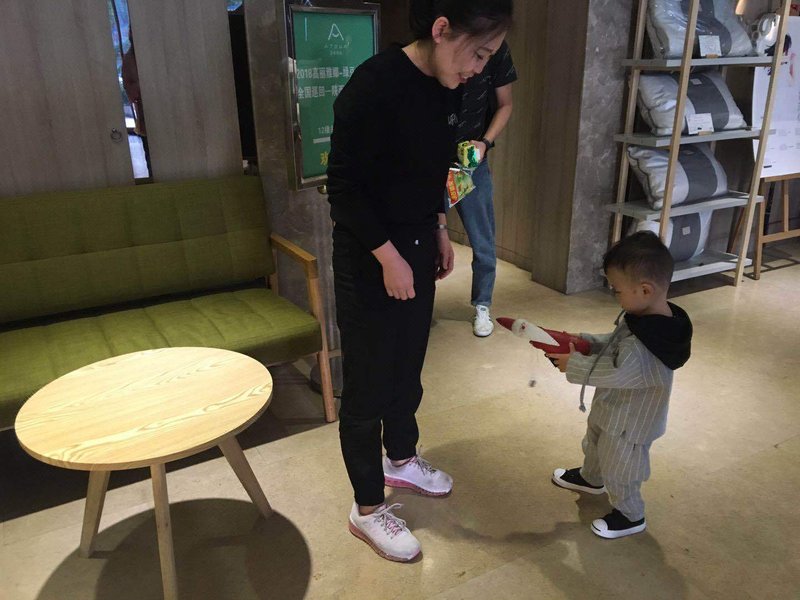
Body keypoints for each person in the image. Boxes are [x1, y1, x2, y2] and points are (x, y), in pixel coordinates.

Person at [327, 0, 513, 562]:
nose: (479, 69)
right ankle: (366, 508)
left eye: (489, 59)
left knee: (407, 364)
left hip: (416, 242)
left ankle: (402, 460)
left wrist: (438, 229)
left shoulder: (449, 88)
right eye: (478, 54)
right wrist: (388, 257)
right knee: (368, 383)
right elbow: (344, 189)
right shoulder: (373, 85)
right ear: (441, 29)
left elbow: (441, 170)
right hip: (369, 253)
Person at [546, 232, 693, 539]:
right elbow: (615, 345)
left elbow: (617, 372)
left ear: (645, 289)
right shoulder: (641, 317)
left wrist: (573, 364)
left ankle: (630, 515)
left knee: (621, 468)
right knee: (595, 444)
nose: (614, 295)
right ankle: (591, 478)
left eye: (616, 290)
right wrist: (586, 343)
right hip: (612, 409)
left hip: (630, 425)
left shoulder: (648, 347)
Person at [452, 41, 516, 337]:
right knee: (423, 237)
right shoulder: (447, 44)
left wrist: (485, 143)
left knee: (483, 240)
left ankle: (482, 304)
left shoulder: (498, 50)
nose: (477, 65)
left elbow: (505, 104)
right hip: (431, 162)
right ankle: (416, 303)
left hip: (469, 162)